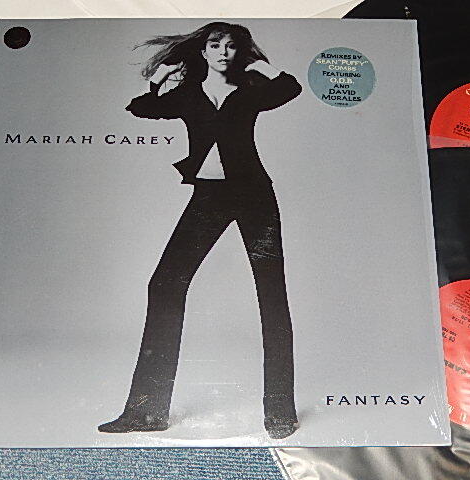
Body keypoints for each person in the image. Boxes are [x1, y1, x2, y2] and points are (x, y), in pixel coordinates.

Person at [98, 22, 302, 439]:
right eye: (215, 45)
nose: (224, 52)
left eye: (232, 46)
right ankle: (146, 413)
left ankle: (280, 413)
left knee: (271, 295)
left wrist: (263, 66)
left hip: (254, 195)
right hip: (210, 196)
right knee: (164, 284)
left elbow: (290, 89)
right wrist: (159, 79)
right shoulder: (188, 95)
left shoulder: (249, 92)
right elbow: (142, 108)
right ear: (203, 51)